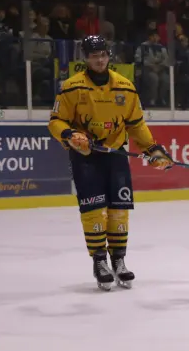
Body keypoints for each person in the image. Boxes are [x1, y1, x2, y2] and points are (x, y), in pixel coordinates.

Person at [47, 36, 174, 290]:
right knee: (94, 210)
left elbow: (136, 125)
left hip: (115, 154)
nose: (100, 59)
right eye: (94, 56)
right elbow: (56, 121)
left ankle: (119, 261)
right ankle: (99, 261)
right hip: (86, 157)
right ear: (86, 58)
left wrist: (153, 149)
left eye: (103, 54)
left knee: (119, 210)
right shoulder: (71, 87)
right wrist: (70, 135)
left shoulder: (126, 87)